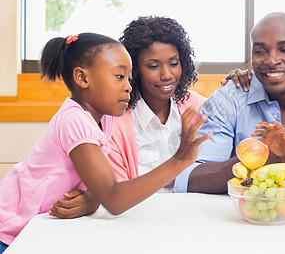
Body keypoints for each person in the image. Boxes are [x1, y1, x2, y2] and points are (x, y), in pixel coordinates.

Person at [0, 32, 211, 251]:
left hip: (42, 232)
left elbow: (103, 190)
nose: (129, 86)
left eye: (129, 78)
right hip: (10, 234)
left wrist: (93, 199)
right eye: (119, 76)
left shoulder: (106, 117)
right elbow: (114, 199)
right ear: (82, 78)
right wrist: (179, 160)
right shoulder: (75, 120)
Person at [48, 16, 252, 218]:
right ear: (133, 70)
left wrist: (241, 85)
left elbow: (233, 146)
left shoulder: (197, 106)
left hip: (196, 214)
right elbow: (114, 193)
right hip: (138, 219)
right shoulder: (114, 121)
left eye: (174, 63)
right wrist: (94, 199)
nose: (166, 75)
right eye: (153, 66)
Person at [174, 12, 285, 194]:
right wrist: (261, 158)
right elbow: (190, 179)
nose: (271, 61)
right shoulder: (228, 99)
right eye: (260, 52)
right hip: (245, 215)